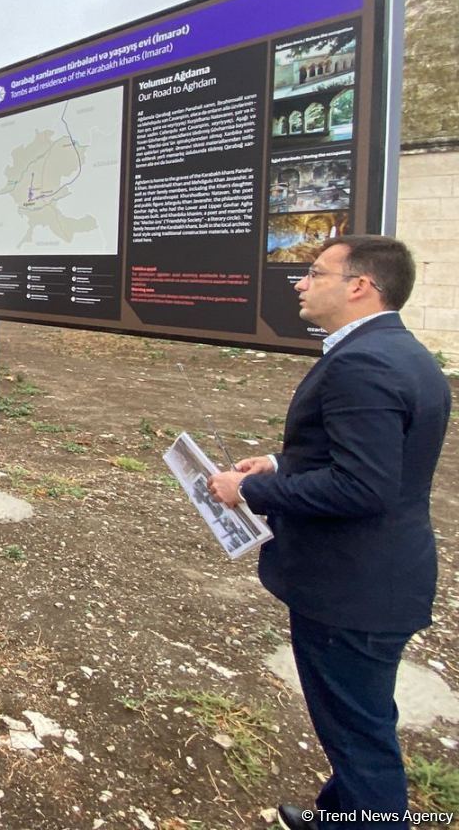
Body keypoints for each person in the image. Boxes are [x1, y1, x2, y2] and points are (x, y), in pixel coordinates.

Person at [208, 236, 450, 824]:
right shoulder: (400, 352)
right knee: (358, 724)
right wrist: (280, 463)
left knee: (360, 741)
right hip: (377, 579)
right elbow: (372, 462)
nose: (300, 283)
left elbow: (362, 489)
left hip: (352, 589)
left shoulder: (363, 363)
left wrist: (251, 491)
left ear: (360, 286)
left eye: (315, 273)